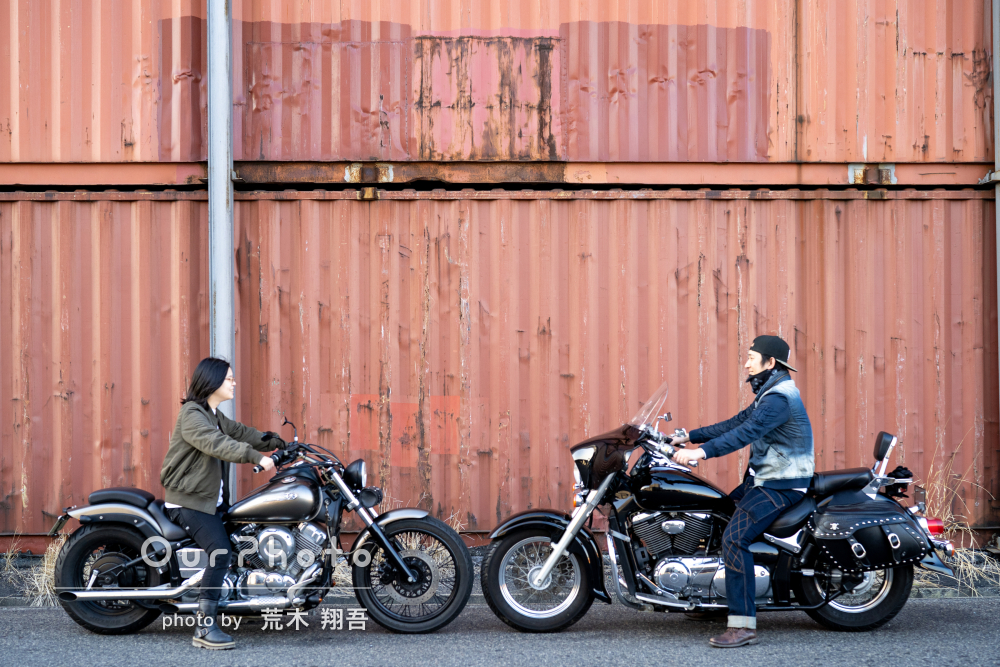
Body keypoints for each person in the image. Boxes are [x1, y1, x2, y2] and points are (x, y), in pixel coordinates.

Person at [671, 335, 814, 648]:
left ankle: (743, 625)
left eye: (752, 356)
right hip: (764, 480)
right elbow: (737, 422)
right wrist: (688, 436)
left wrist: (701, 453)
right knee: (717, 515)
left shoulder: (779, 399)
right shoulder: (769, 392)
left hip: (782, 485)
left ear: (770, 362)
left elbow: (745, 433)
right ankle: (710, 597)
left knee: (735, 538)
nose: (746, 362)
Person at [159, 357, 285, 650]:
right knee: (220, 552)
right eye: (229, 378)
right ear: (212, 382)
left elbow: (241, 433)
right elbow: (217, 443)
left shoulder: (213, 414)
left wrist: (280, 443)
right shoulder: (192, 414)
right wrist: (257, 457)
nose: (234, 383)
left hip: (207, 502)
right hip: (187, 503)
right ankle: (203, 628)